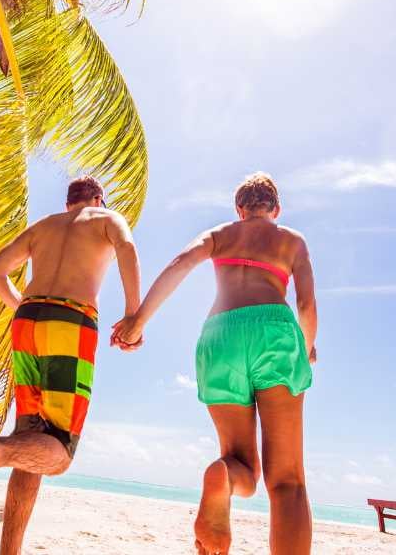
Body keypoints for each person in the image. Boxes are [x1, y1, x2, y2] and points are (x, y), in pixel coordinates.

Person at [112, 172, 317, 555]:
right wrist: (305, 348)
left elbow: (180, 264)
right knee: (286, 481)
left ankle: (223, 476)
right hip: (274, 332)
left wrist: (137, 322)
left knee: (242, 465)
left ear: (240, 210)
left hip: (219, 336)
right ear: (276, 208)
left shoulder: (220, 234)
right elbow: (306, 304)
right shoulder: (291, 240)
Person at [0, 175, 142, 554]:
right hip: (71, 319)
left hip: (27, 321)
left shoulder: (44, 227)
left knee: (31, 440)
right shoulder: (106, 218)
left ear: (68, 201)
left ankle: (10, 550)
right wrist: (133, 313)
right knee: (59, 451)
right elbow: (127, 247)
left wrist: (24, 307)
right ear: (99, 199)